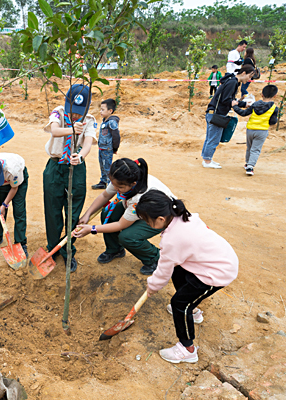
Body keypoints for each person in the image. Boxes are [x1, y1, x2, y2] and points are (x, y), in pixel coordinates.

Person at [136, 190, 238, 364]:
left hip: (217, 271)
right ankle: (193, 311)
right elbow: (171, 267)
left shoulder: (173, 240)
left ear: (160, 219)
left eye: (147, 220)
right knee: (178, 271)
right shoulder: (181, 216)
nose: (146, 224)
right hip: (213, 259)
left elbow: (162, 271)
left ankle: (187, 349)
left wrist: (152, 286)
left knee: (179, 304)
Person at [75, 158, 175, 275]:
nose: (116, 189)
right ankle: (115, 249)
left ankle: (155, 258)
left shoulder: (138, 197)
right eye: (114, 185)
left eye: (120, 188)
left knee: (128, 236)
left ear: (133, 184)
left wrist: (92, 229)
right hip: (137, 209)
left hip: (159, 217)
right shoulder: (121, 179)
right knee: (107, 213)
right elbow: (104, 195)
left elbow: (120, 225)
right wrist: (87, 215)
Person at [42, 84, 97, 272]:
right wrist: (73, 129)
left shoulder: (89, 120)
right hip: (55, 166)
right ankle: (53, 247)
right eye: (72, 111)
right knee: (52, 210)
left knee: (73, 213)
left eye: (79, 112)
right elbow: (55, 131)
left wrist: (80, 156)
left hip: (76, 168)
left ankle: (68, 250)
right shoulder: (57, 113)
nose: (75, 116)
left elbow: (88, 143)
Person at [201, 64, 254, 169]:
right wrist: (241, 104)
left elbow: (229, 100)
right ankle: (207, 161)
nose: (249, 79)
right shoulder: (233, 82)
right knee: (214, 138)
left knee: (210, 138)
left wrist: (243, 104)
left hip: (213, 112)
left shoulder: (231, 80)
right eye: (250, 76)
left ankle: (207, 159)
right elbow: (226, 100)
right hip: (217, 113)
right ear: (243, 73)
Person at [232, 85, 279, 176]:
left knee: (249, 147)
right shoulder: (274, 108)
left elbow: (243, 113)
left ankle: (247, 163)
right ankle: (250, 167)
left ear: (262, 94)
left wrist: (235, 107)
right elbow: (273, 122)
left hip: (250, 129)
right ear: (275, 96)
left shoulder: (255, 105)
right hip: (262, 131)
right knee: (255, 149)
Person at [92, 99, 120, 190]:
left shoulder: (112, 122)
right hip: (102, 148)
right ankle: (103, 181)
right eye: (100, 109)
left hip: (107, 149)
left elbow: (116, 136)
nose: (100, 111)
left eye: (103, 110)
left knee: (108, 167)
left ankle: (110, 184)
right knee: (102, 165)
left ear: (110, 111)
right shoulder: (105, 121)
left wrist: (115, 148)